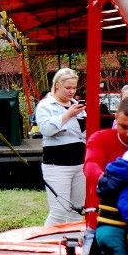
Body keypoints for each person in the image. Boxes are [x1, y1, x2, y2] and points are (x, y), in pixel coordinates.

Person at [83, 97, 128, 255]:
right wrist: (106, 181)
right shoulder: (100, 138)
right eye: (123, 126)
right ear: (116, 119)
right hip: (103, 224)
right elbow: (90, 165)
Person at [35, 68, 86, 226]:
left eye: (74, 88)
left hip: (80, 163)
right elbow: (47, 130)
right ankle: (47, 245)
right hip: (57, 165)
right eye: (68, 88)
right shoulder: (45, 106)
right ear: (57, 86)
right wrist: (67, 115)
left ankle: (74, 246)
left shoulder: (77, 105)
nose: (72, 91)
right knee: (59, 212)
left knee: (77, 210)